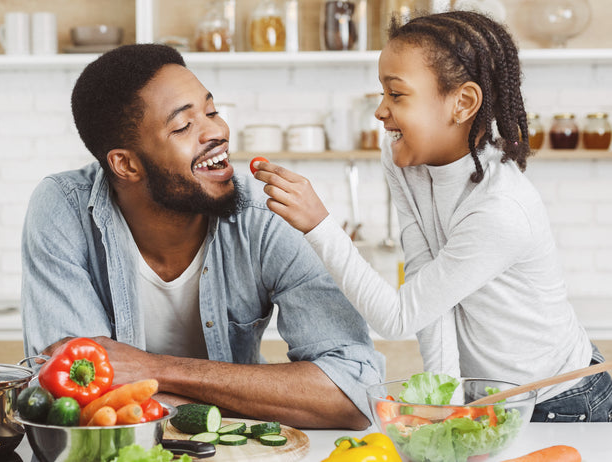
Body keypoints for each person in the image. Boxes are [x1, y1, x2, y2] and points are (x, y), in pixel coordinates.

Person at [252, 11, 612, 422]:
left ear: (462, 103)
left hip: (561, 399)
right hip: (492, 402)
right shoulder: (405, 160)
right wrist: (447, 403)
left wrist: (319, 225)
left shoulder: (500, 208)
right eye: (382, 93)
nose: (381, 111)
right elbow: (427, 290)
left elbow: (398, 317)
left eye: (397, 95)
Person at [20, 44, 385, 429]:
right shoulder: (63, 208)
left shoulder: (268, 216)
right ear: (126, 164)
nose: (217, 131)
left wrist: (153, 370)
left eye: (211, 111)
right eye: (183, 126)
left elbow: (355, 395)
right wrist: (262, 399)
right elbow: (73, 399)